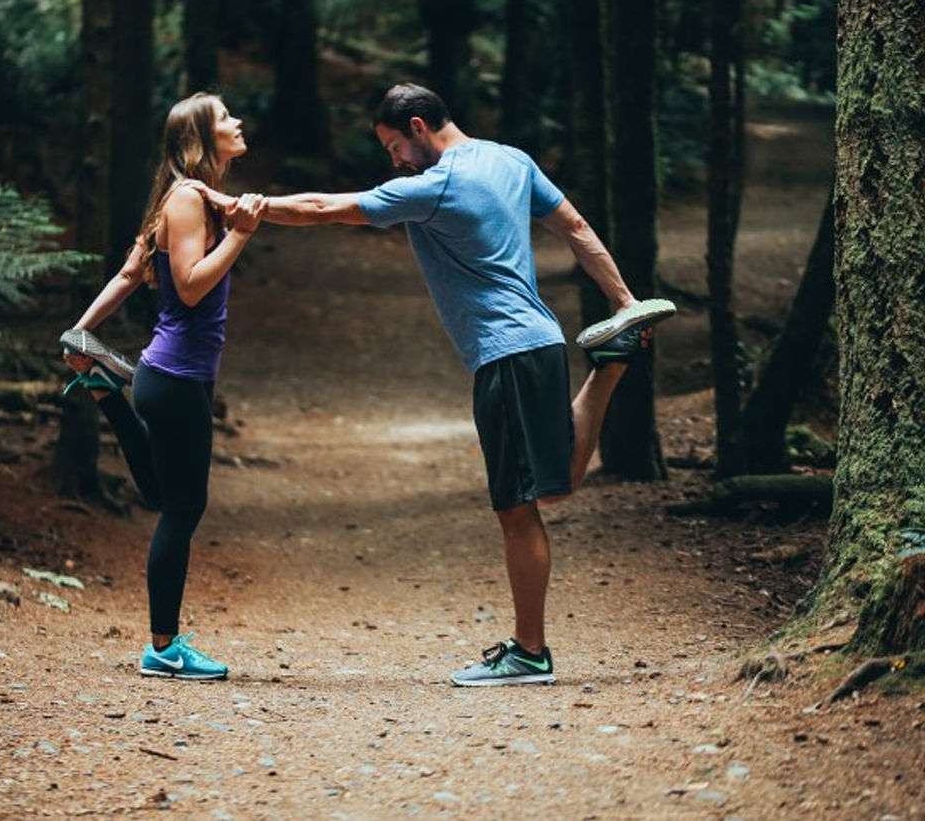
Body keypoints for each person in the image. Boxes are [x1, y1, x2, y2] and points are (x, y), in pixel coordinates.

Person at [196, 82, 675, 687]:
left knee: (518, 510)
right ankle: (611, 360)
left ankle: (530, 653)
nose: (394, 159)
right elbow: (576, 227)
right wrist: (624, 299)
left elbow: (324, 208)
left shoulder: (433, 186)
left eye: (396, 145)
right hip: (545, 344)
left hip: (504, 356)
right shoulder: (512, 160)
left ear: (419, 127)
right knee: (559, 483)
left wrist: (235, 204)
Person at [60, 92, 267, 681]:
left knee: (162, 495)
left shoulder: (192, 196)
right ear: (200, 138)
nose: (237, 121)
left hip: (177, 379)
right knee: (183, 507)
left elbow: (130, 273)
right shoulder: (185, 202)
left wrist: (79, 332)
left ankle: (104, 386)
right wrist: (240, 236)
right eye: (226, 117)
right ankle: (164, 648)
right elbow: (192, 284)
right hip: (174, 378)